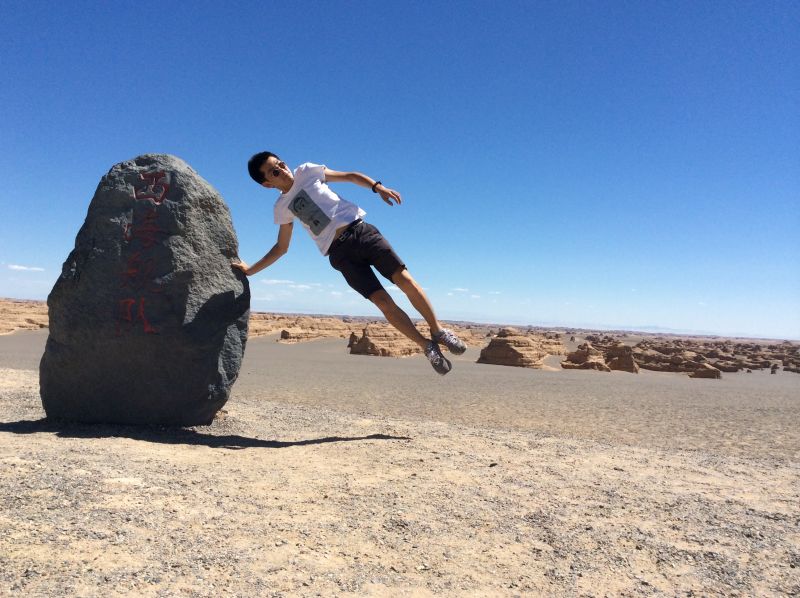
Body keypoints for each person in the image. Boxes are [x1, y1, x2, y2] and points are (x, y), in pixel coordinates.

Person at [233, 152, 466, 375]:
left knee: (405, 280)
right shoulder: (281, 207)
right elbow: (282, 247)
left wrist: (377, 187)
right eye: (274, 172)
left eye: (281, 164)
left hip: (362, 233)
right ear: (267, 184)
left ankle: (438, 331)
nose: (282, 170)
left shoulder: (307, 171)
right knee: (383, 302)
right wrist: (251, 270)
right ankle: (427, 346)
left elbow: (351, 176)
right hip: (340, 255)